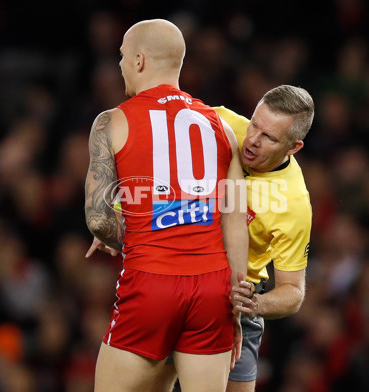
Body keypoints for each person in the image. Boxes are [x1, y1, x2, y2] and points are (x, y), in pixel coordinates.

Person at [88, 85, 315, 392]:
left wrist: (254, 304)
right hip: (174, 277)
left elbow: (293, 291)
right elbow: (156, 160)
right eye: (254, 125)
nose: (252, 140)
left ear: (293, 147)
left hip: (231, 302)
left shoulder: (294, 203)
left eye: (269, 138)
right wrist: (116, 212)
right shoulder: (216, 122)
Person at [83, 19, 248, 392]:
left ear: (139, 61)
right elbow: (235, 220)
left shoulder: (113, 121)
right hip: (213, 289)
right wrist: (235, 305)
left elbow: (98, 219)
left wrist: (120, 232)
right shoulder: (220, 127)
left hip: (151, 282)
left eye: (123, 57)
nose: (120, 65)